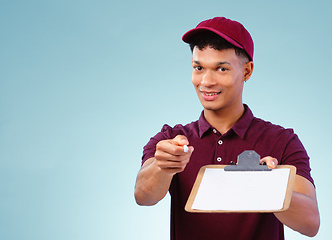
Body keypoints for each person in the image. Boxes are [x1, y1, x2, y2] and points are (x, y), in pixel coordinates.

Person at [134, 17, 320, 239]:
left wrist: (268, 186)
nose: (206, 81)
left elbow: (310, 224)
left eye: (221, 69)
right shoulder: (171, 138)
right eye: (199, 67)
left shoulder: (282, 140)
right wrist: (163, 167)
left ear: (247, 71)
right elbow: (143, 196)